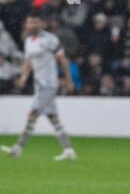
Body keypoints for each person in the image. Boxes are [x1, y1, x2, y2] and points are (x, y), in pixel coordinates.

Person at [1, 10, 77, 161]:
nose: (31, 25)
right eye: (29, 22)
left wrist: (69, 81)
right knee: (53, 117)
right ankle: (69, 150)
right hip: (38, 84)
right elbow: (28, 61)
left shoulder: (50, 39)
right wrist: (23, 77)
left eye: (35, 22)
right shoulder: (29, 41)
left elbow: (63, 60)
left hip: (49, 85)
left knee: (32, 114)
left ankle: (18, 148)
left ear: (41, 23)